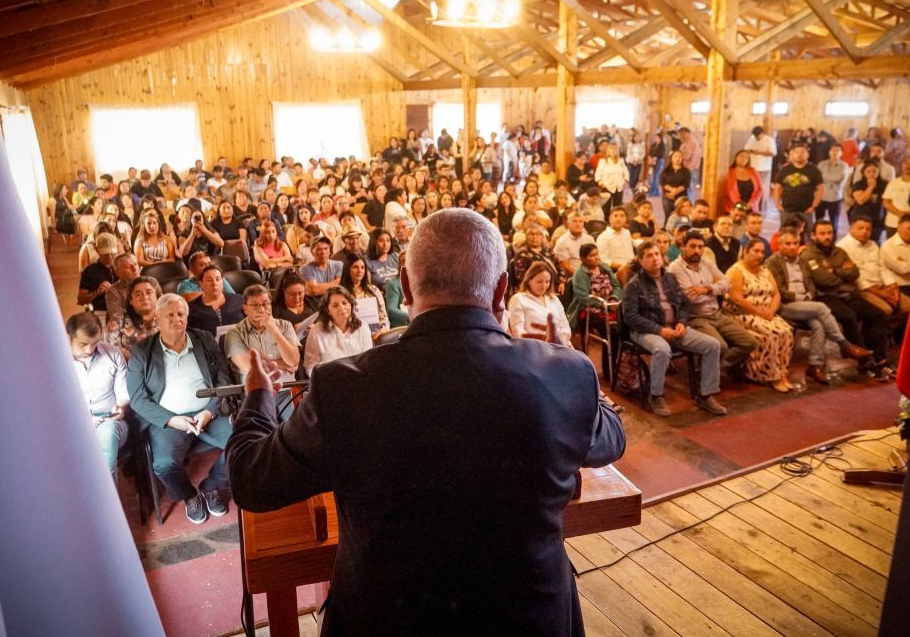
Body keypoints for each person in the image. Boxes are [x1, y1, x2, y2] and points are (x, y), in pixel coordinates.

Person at [226, 208, 625, 634]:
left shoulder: (343, 387)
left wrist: (258, 397)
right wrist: (570, 366)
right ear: (501, 289)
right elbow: (611, 439)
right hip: (530, 619)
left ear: (405, 285)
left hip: (387, 621)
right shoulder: (564, 372)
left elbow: (252, 480)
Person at [128, 294, 234, 524]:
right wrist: (171, 420)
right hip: (169, 420)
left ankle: (211, 486)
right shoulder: (142, 351)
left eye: (181, 314)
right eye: (170, 315)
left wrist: (209, 412)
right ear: (157, 319)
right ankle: (189, 495)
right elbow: (137, 399)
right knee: (164, 464)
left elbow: (224, 381)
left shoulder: (204, 339)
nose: (176, 319)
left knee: (243, 444)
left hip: (208, 413)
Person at [621, 240, 728, 417]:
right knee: (662, 349)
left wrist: (682, 323)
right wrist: (659, 330)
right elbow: (630, 317)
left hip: (674, 328)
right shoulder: (634, 284)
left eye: (657, 254)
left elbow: (684, 305)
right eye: (649, 255)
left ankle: (706, 395)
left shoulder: (670, 278)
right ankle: (655, 395)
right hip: (646, 330)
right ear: (640, 260)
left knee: (712, 345)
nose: (655, 258)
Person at [765, 228, 872, 384]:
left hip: (805, 304)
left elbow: (811, 284)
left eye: (795, 243)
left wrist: (808, 295)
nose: (792, 247)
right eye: (788, 244)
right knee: (821, 307)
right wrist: (799, 297)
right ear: (780, 245)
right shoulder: (773, 262)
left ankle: (815, 366)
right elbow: (778, 290)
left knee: (818, 325)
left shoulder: (802, 261)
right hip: (785, 305)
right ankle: (845, 345)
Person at [802, 220, 894, 380]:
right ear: (813, 236)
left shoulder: (839, 252)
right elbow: (823, 280)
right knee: (849, 316)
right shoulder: (808, 255)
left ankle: (880, 358)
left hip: (847, 295)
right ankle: (865, 362)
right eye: (822, 233)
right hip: (825, 297)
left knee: (877, 314)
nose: (827, 236)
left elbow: (855, 272)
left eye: (829, 233)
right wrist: (842, 275)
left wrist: (834, 270)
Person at [669, 232, 758, 374]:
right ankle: (708, 373)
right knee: (721, 346)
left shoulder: (706, 262)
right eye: (692, 246)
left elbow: (728, 283)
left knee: (750, 342)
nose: (697, 250)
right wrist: (716, 290)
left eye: (700, 247)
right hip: (695, 317)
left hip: (717, 314)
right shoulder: (675, 268)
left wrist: (708, 289)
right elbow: (692, 298)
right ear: (683, 247)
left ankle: (709, 370)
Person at [724, 240, 796, 392]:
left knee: (787, 331)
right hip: (742, 314)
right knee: (772, 333)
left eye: (762, 252)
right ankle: (769, 375)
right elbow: (736, 299)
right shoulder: (736, 271)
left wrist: (771, 311)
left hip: (765, 313)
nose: (759, 255)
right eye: (756, 251)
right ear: (746, 251)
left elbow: (776, 294)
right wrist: (759, 312)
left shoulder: (765, 271)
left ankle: (782, 373)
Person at [68, 312, 129, 476]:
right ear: (69, 337)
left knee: (105, 444)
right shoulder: (56, 362)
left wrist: (121, 407)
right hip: (73, 424)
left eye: (95, 343)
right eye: (83, 344)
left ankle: (106, 491)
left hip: (109, 422)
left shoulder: (113, 354)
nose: (89, 350)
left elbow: (123, 393)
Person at [225, 284, 300, 386]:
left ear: (271, 306)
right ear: (245, 309)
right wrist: (284, 364)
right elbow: (251, 368)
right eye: (255, 305)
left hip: (287, 387)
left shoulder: (285, 326)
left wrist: (274, 330)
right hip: (256, 391)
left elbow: (293, 361)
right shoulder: (234, 333)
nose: (261, 310)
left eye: (265, 304)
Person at [837, 217, 910, 318]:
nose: (864, 231)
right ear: (851, 228)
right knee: (887, 310)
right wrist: (881, 294)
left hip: (881, 285)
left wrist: (893, 285)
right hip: (863, 290)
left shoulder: (872, 244)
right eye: (860, 228)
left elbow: (882, 267)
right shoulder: (842, 247)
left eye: (868, 229)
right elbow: (857, 279)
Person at [301, 286, 373, 376]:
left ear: (350, 304)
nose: (342, 308)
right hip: (330, 381)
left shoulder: (363, 326)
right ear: (328, 310)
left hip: (360, 378)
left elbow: (368, 360)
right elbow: (310, 366)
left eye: (344, 303)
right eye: (335, 305)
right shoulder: (316, 332)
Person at [508, 261, 572, 347]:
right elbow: (518, 333)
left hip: (561, 346)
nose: (544, 286)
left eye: (547, 282)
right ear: (529, 281)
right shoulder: (518, 299)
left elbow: (566, 328)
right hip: (534, 347)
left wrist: (560, 342)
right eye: (539, 281)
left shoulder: (554, 299)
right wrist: (545, 345)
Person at [566, 243, 623, 332]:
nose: (597, 257)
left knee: (628, 317)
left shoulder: (604, 267)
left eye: (597, 254)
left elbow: (617, 286)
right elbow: (584, 298)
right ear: (583, 259)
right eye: (592, 255)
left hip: (610, 304)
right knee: (610, 328)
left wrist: (614, 298)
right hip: (590, 308)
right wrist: (604, 305)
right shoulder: (580, 274)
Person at [105, 276, 161, 358]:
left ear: (157, 296)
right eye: (138, 294)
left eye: (149, 293)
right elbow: (111, 351)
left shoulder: (169, 318)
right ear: (131, 300)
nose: (144, 297)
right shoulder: (118, 320)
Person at [773, 142, 823, 231]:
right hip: (787, 210)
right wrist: (777, 204)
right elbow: (778, 188)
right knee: (786, 233)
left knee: (806, 234)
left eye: (802, 152)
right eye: (797, 152)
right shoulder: (785, 170)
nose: (799, 154)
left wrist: (813, 206)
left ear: (807, 154)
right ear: (792, 154)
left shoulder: (814, 170)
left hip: (806, 211)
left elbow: (820, 189)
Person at [186, 265, 245, 337]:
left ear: (222, 282)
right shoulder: (191, 308)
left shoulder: (239, 300)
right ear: (201, 283)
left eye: (217, 279)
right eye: (209, 280)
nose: (214, 283)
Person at [341, 253, 390, 333]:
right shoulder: (340, 292)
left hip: (375, 334)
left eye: (362, 267)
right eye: (355, 267)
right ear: (348, 269)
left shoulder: (374, 290)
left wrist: (381, 331)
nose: (359, 270)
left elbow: (384, 317)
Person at [880, 214, 910, 297]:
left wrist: (909, 264)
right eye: (909, 228)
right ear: (898, 227)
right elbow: (902, 269)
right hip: (900, 287)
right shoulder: (888, 246)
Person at [77, 233, 119, 312]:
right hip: (100, 311)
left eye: (112, 253)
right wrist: (97, 292)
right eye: (105, 253)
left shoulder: (123, 267)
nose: (109, 256)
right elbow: (81, 300)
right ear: (96, 250)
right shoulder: (89, 272)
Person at [882, 156, 910, 239]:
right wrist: (901, 214)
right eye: (906, 163)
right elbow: (886, 202)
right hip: (892, 223)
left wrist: (907, 216)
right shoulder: (893, 183)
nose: (908, 166)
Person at [816, 144, 849, 230]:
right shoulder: (822, 164)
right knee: (818, 220)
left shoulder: (844, 165)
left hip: (835, 196)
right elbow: (817, 178)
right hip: (821, 195)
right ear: (829, 152)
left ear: (841, 153)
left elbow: (838, 178)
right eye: (833, 150)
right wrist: (829, 179)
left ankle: (833, 236)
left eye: (837, 150)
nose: (835, 152)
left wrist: (824, 178)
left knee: (834, 221)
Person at [554, 211, 595, 280]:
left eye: (580, 221)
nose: (578, 224)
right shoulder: (562, 242)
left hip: (591, 274)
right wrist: (584, 276)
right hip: (574, 278)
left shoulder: (589, 239)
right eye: (574, 221)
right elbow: (565, 267)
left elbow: (596, 258)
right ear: (568, 223)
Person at [104, 252, 141, 322]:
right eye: (128, 267)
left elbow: (161, 307)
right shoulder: (112, 292)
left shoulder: (151, 282)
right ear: (118, 273)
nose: (134, 269)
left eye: (135, 264)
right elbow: (118, 319)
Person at [745, 126, 777, 206]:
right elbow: (746, 149)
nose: (756, 137)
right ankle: (752, 203)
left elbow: (773, 153)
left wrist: (758, 152)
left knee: (760, 186)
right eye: (755, 136)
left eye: (758, 136)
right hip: (752, 165)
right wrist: (751, 151)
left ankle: (761, 204)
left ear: (762, 133)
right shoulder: (752, 139)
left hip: (763, 167)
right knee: (752, 185)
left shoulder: (769, 140)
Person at [659, 150, 690, 220]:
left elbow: (686, 183)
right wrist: (672, 190)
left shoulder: (686, 171)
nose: (678, 158)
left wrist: (676, 191)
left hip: (681, 197)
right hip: (668, 196)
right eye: (675, 156)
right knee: (668, 216)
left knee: (681, 216)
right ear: (671, 158)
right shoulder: (665, 171)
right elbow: (662, 182)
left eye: (680, 156)